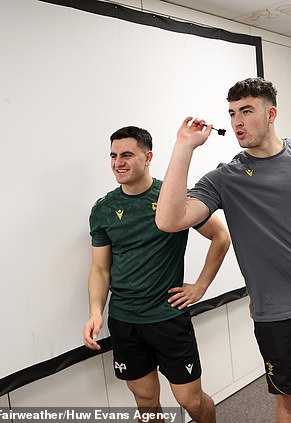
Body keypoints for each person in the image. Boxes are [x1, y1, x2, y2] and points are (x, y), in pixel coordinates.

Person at [156, 77, 291, 423]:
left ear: (271, 113)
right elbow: (170, 220)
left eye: (246, 111)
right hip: (277, 312)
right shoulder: (226, 177)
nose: (237, 122)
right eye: (231, 114)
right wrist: (184, 147)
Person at [83, 126, 230, 423]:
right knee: (146, 402)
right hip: (125, 320)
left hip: (167, 318)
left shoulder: (174, 199)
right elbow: (100, 269)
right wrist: (96, 311)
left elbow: (221, 237)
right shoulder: (103, 209)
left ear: (148, 157)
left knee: (191, 401)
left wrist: (200, 286)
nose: (118, 162)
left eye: (126, 154)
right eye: (113, 156)